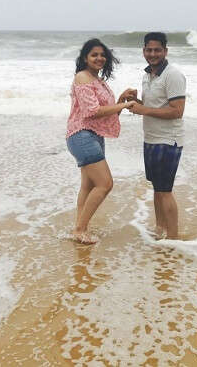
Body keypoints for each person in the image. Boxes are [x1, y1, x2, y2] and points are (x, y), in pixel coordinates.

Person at [66, 38, 135, 244]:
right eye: (94, 54)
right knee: (105, 184)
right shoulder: (83, 77)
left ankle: (79, 227)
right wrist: (123, 106)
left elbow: (104, 112)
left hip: (91, 136)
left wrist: (120, 100)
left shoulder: (97, 80)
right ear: (85, 57)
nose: (99, 58)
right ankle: (80, 229)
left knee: (88, 186)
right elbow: (92, 111)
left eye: (102, 55)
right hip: (82, 135)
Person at [126, 32, 186, 240]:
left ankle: (174, 238)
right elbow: (151, 107)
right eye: (149, 50)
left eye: (157, 50)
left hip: (168, 141)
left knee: (165, 190)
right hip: (150, 139)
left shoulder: (173, 75)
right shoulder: (147, 75)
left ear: (165, 51)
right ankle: (160, 229)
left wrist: (144, 110)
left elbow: (177, 111)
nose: (153, 54)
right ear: (143, 51)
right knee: (157, 188)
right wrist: (135, 102)